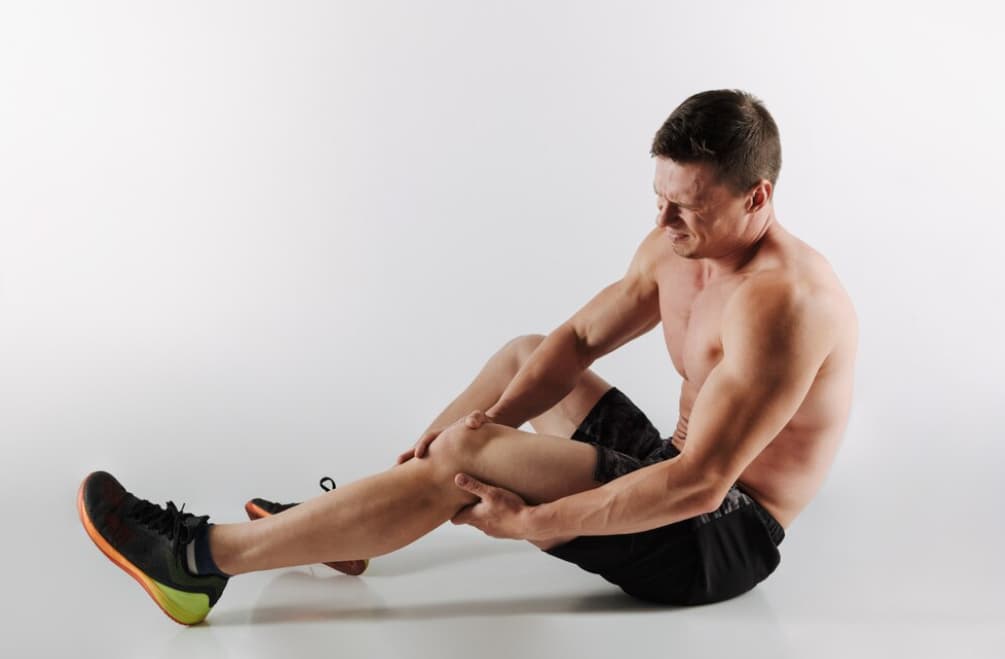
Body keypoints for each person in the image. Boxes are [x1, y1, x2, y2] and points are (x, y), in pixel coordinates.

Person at [78, 89, 858, 625]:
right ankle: (347, 523)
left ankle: (204, 560)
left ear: (756, 197)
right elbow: (577, 341)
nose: (661, 218)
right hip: (674, 471)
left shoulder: (784, 304)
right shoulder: (677, 243)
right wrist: (493, 424)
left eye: (685, 204)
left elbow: (698, 483)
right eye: (658, 195)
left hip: (719, 537)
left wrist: (534, 521)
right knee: (521, 359)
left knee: (466, 453)